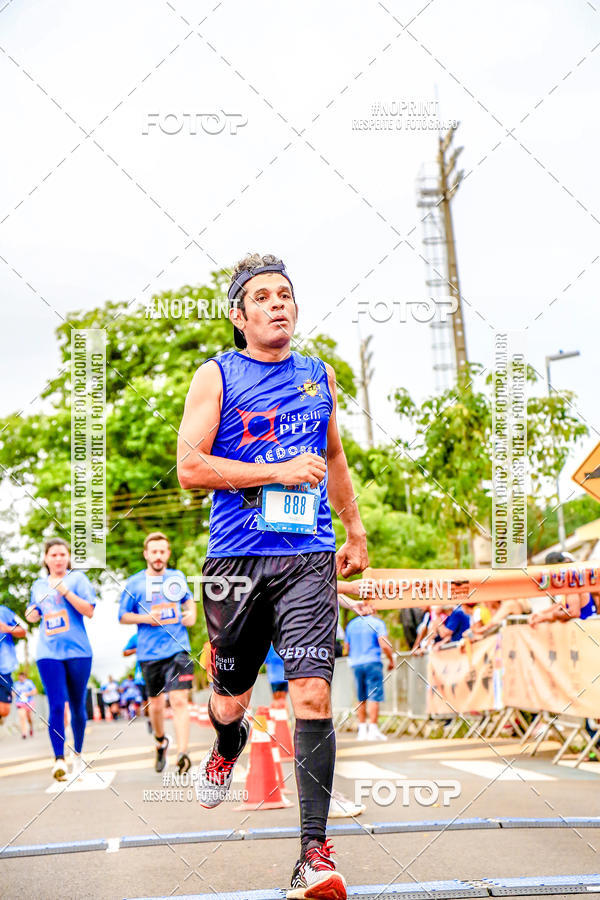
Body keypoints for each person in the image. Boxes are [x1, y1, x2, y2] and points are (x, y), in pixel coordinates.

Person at [177, 253, 368, 900]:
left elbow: (335, 456)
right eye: (261, 296)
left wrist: (355, 529)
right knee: (230, 698)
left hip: (307, 557)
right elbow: (191, 469)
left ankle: (314, 855)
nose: (277, 303)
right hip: (236, 563)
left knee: (311, 693)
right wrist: (276, 471)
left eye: (284, 293)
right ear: (240, 315)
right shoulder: (216, 375)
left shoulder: (319, 376)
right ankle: (227, 743)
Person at [118, 532, 196, 775]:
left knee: (180, 700)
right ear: (146, 554)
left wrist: (191, 613)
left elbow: (188, 600)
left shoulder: (177, 577)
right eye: (154, 552)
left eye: (163, 551)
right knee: (157, 706)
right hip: (149, 653)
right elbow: (122, 616)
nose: (159, 556)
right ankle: (161, 742)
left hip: (178, 648)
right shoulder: (134, 583)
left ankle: (183, 753)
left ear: (168, 553)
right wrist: (146, 618)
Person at [25, 538, 96, 781]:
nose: (58, 559)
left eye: (62, 554)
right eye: (53, 555)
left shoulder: (78, 579)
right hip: (48, 653)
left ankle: (77, 754)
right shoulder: (37, 585)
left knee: (77, 705)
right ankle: (58, 759)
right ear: (45, 558)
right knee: (56, 705)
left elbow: (89, 610)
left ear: (68, 557)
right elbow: (34, 611)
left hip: (78, 651)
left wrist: (65, 591)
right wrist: (31, 613)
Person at [344, 611, 394, 741]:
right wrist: (391, 659)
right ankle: (373, 729)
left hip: (356, 663)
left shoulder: (351, 625)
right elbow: (384, 644)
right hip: (372, 661)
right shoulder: (377, 623)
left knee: (361, 696)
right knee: (374, 695)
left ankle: (362, 730)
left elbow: (346, 647)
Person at [530, 551, 595, 626]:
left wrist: (550, 615)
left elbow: (573, 613)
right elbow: (562, 604)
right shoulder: (570, 582)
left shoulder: (571, 581)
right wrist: (540, 614)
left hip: (588, 626)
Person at [0, 605, 26, 725]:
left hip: (4, 667)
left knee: (4, 710)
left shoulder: (5, 612)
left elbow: (23, 630)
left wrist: (7, 629)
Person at [123, 632, 151, 729]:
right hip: (141, 677)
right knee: (146, 700)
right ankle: (149, 718)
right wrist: (137, 650)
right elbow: (125, 652)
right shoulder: (136, 637)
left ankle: (154, 717)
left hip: (157, 671)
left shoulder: (158, 632)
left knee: (155, 698)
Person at [13, 671, 37, 738]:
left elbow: (35, 691)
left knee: (29, 717)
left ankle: (31, 727)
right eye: (19, 676)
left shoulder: (29, 683)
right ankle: (24, 733)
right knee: (22, 717)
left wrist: (27, 694)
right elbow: (13, 692)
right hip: (20, 703)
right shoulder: (16, 684)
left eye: (21, 676)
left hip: (29, 702)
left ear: (24, 677)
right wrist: (13, 694)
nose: (20, 678)